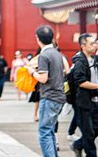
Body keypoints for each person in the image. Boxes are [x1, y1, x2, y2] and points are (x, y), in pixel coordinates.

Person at [26, 25, 66, 157]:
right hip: (59, 96)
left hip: (49, 96)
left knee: (44, 132)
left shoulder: (43, 55)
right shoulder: (57, 53)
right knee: (50, 131)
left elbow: (43, 79)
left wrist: (32, 72)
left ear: (37, 39)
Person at [69, 33, 98, 157]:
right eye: (91, 44)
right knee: (88, 133)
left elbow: (97, 79)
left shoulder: (94, 59)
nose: (94, 46)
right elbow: (81, 82)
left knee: (97, 128)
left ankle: (78, 145)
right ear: (83, 46)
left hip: (95, 100)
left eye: (95, 43)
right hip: (83, 102)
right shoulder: (80, 62)